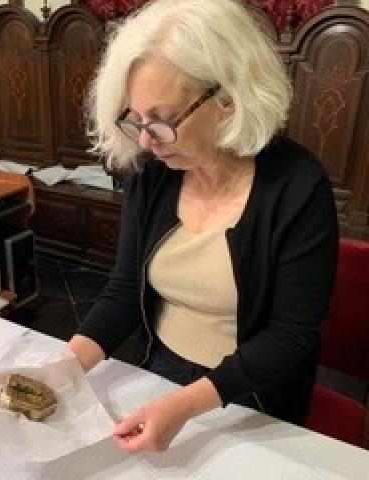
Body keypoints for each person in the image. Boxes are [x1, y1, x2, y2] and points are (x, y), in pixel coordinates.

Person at [68, 0, 338, 454]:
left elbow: (289, 336)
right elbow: (123, 292)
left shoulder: (298, 187)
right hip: (159, 370)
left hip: (254, 393)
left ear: (229, 100)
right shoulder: (153, 174)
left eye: (162, 119)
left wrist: (186, 404)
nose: (147, 142)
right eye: (136, 120)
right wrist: (63, 367)